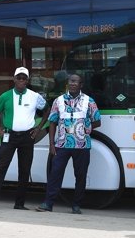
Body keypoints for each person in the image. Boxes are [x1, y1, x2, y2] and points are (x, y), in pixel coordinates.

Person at [0, 66, 47, 212]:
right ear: (14, 79)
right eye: (19, 78)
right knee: (0, 167)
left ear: (28, 80)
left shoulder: (35, 96)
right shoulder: (5, 96)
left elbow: (47, 110)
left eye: (24, 78)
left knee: (24, 169)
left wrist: (38, 128)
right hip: (9, 135)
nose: (21, 81)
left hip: (27, 136)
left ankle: (19, 203)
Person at [37, 74, 102, 214]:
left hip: (82, 145)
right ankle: (48, 203)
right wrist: (52, 144)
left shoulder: (89, 101)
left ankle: (76, 205)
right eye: (70, 81)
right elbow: (52, 122)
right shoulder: (58, 101)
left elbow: (98, 121)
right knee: (55, 173)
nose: (72, 84)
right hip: (62, 144)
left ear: (81, 85)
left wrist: (88, 127)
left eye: (76, 82)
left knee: (80, 175)